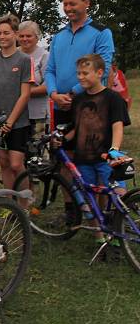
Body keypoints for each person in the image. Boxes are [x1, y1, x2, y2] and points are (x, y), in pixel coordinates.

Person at [60, 54, 130, 257]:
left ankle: (118, 234)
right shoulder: (79, 100)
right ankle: (100, 237)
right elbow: (77, 127)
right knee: (89, 200)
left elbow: (117, 126)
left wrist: (114, 151)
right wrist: (62, 140)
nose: (80, 77)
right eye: (78, 73)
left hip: (106, 158)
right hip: (83, 159)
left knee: (118, 196)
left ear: (99, 73)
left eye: (85, 73)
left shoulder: (112, 98)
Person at [45, 0, 115, 128]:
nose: (68, 8)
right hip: (60, 105)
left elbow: (103, 69)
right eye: (65, 4)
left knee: (89, 150)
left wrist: (72, 93)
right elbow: (50, 70)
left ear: (87, 3)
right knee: (61, 149)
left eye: (73, 4)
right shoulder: (58, 36)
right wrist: (53, 94)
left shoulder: (102, 32)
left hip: (90, 105)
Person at [0, 13, 33, 202]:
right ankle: (8, 203)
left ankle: (24, 203)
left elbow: (25, 94)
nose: (2, 37)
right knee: (3, 162)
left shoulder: (24, 60)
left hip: (18, 122)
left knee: (16, 164)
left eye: (6, 33)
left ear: (16, 34)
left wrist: (10, 121)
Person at [17, 20, 49, 133]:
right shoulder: (13, 55)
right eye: (21, 36)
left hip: (37, 114)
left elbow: (48, 86)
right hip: (15, 113)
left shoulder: (45, 56)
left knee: (36, 147)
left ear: (37, 37)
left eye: (28, 36)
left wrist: (24, 93)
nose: (25, 39)